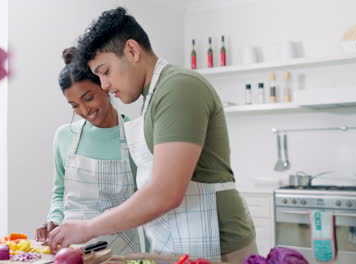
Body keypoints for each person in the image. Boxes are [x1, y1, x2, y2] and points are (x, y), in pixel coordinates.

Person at [47, 8, 258, 264]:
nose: (105, 85)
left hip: (218, 241)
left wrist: (88, 227)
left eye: (105, 71)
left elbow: (166, 192)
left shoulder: (178, 87)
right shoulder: (153, 96)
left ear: (132, 51)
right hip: (179, 238)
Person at [36, 47, 140, 255]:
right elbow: (59, 192)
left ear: (104, 85)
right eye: (74, 105)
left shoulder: (137, 133)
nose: (84, 111)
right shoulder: (64, 136)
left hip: (122, 252)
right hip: (72, 252)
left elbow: (145, 200)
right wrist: (54, 219)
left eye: (88, 98)